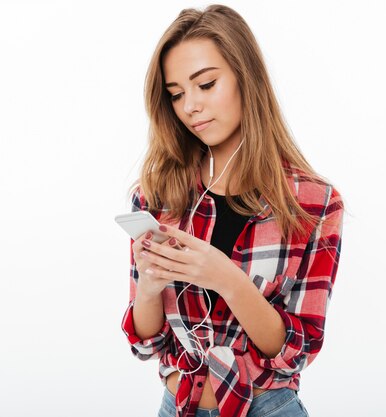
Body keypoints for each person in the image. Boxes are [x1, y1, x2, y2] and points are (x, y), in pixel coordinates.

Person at [120, 4, 344, 417]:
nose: (190, 106)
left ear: (246, 78)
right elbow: (146, 344)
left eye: (205, 84)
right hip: (178, 405)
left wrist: (225, 278)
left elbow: (298, 350)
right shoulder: (157, 196)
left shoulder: (313, 202)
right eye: (176, 94)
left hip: (267, 407)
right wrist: (149, 287)